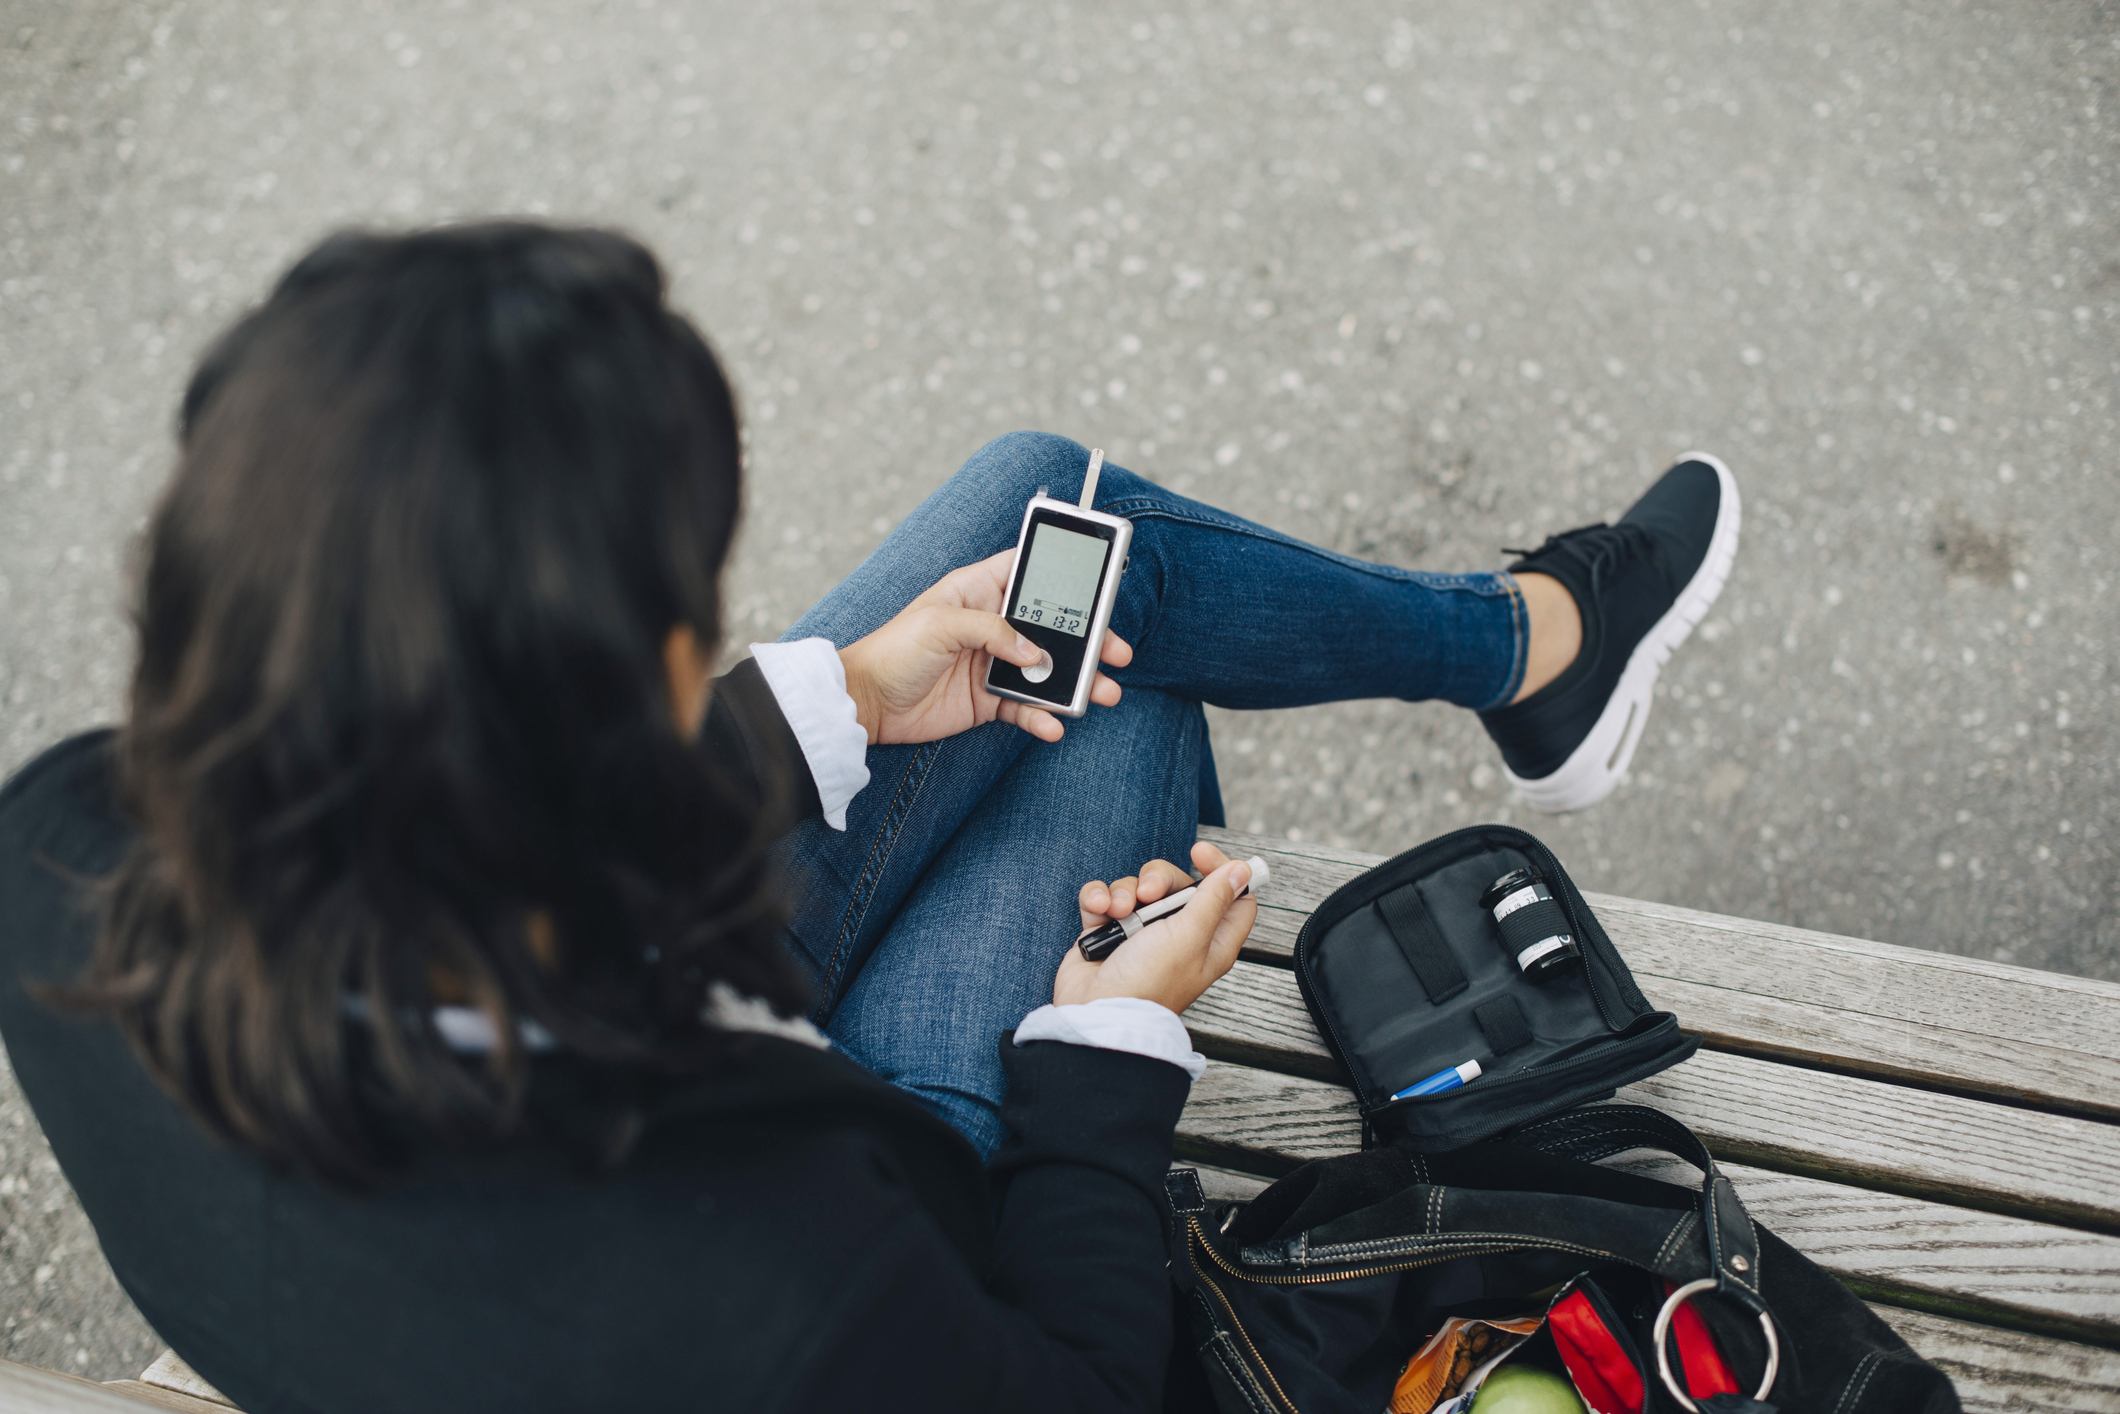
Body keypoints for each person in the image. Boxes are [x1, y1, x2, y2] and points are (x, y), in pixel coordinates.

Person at [0, 224, 1737, 1412]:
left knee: (1046, 524)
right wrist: (1107, 1050)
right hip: (841, 1220)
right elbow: (1073, 1382)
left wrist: (817, 707)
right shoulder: (778, 1276)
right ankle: (1534, 641)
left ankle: (1519, 645)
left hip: (535, 1129)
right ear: (644, 669)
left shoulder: (61, 839)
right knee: (1113, 690)